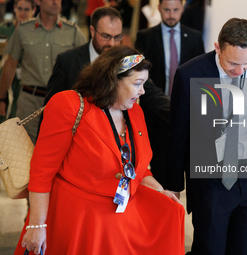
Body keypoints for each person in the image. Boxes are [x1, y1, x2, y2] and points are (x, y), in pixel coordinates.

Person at [14, 45, 185, 255]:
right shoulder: (69, 104)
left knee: (170, 213)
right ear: (113, 81)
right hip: (76, 220)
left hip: (117, 221)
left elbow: (138, 170)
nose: (142, 91)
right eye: (137, 84)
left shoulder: (136, 112)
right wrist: (36, 225)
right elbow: (41, 171)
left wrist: (160, 191)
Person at [166, 18, 247, 255]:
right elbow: (178, 132)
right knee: (210, 248)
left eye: (246, 64)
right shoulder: (189, 74)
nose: (239, 72)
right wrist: (173, 183)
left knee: (242, 249)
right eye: (232, 64)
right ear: (218, 47)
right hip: (212, 180)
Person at [42, 6, 170, 131]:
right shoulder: (67, 61)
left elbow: (153, 95)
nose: (112, 43)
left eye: (117, 37)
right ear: (92, 31)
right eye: (106, 36)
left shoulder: (126, 61)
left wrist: (183, 113)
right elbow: (50, 108)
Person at [135, 0, 204, 187]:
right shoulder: (145, 37)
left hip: (186, 114)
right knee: (159, 167)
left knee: (180, 166)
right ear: (159, 9)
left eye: (175, 10)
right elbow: (140, 78)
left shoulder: (195, 38)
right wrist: (167, 106)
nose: (171, 15)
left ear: (182, 9)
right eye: (166, 10)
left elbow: (200, 77)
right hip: (156, 115)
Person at [0, 0, 86, 144]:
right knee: (23, 149)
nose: (55, 2)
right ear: (39, 2)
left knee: (55, 146)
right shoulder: (23, 30)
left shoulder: (73, 32)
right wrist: (2, 98)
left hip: (60, 103)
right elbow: (10, 65)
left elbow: (85, 66)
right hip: (29, 101)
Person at [0, 0, 36, 123]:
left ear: (33, 11)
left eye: (26, 10)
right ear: (14, 9)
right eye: (19, 8)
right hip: (4, 75)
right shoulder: (5, 29)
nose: (22, 13)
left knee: (17, 114)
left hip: (24, 81)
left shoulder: (36, 33)